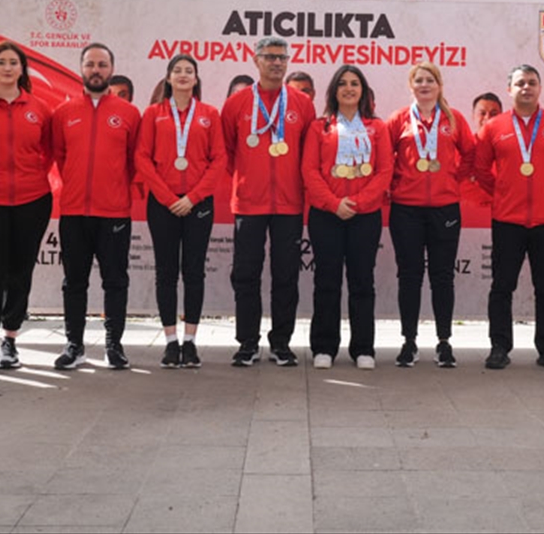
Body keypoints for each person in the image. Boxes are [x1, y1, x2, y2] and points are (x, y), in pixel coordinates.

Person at [474, 65, 544, 372]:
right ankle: (499, 347)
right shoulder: (494, 127)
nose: (526, 88)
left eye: (532, 82)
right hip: (507, 220)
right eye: (520, 83)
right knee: (502, 286)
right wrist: (503, 192)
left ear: (540, 88)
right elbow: (481, 169)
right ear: (509, 90)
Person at [221, 37, 317, 367]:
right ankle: (247, 342)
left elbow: (309, 155)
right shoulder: (236, 104)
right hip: (248, 203)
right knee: (246, 275)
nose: (276, 62)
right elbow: (228, 153)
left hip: (289, 205)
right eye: (269, 57)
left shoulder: (302, 104)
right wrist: (248, 180)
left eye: (282, 57)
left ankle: (281, 343)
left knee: (286, 275)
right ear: (255, 60)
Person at [51, 44, 141, 370]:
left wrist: (113, 189)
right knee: (74, 281)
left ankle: (114, 345)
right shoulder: (64, 112)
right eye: (90, 64)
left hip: (114, 213)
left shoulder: (129, 113)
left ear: (111, 68)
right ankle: (74, 345)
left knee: (115, 280)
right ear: (81, 69)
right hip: (74, 212)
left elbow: (134, 162)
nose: (96, 70)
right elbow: (60, 157)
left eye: (103, 64)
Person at [135, 54, 227, 368]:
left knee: (194, 272)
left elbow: (219, 160)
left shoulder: (209, 114)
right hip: (162, 204)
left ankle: (190, 342)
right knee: (166, 273)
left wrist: (193, 197)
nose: (184, 75)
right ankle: (170, 342)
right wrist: (165, 195)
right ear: (169, 78)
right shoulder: (153, 114)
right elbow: (142, 158)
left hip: (198, 205)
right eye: (178, 71)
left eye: (189, 71)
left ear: (197, 78)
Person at [0, 41, 54, 373]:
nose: (7, 68)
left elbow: (49, 152)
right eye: (0, 62)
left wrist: (32, 177)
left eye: (13, 63)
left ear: (22, 69)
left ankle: (10, 340)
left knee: (20, 274)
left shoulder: (39, 108)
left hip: (32, 202)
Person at [302, 65, 393, 370]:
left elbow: (384, 172)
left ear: (363, 91)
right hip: (326, 215)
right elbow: (309, 171)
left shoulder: (377, 128)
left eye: (355, 84)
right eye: (343, 84)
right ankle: (324, 347)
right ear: (334, 91)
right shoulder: (320, 127)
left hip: (364, 216)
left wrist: (358, 202)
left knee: (362, 282)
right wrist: (333, 203)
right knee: (326, 281)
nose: (349, 88)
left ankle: (363, 348)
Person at [386, 62, 475, 368]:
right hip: (405, 209)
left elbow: (471, 155)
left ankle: (444, 342)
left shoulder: (454, 118)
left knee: (442, 277)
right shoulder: (399, 119)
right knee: (409, 277)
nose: (424, 85)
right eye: (419, 80)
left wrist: (451, 179)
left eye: (430, 80)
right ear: (411, 87)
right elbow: (383, 159)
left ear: (439, 85)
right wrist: (396, 184)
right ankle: (408, 342)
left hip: (444, 208)